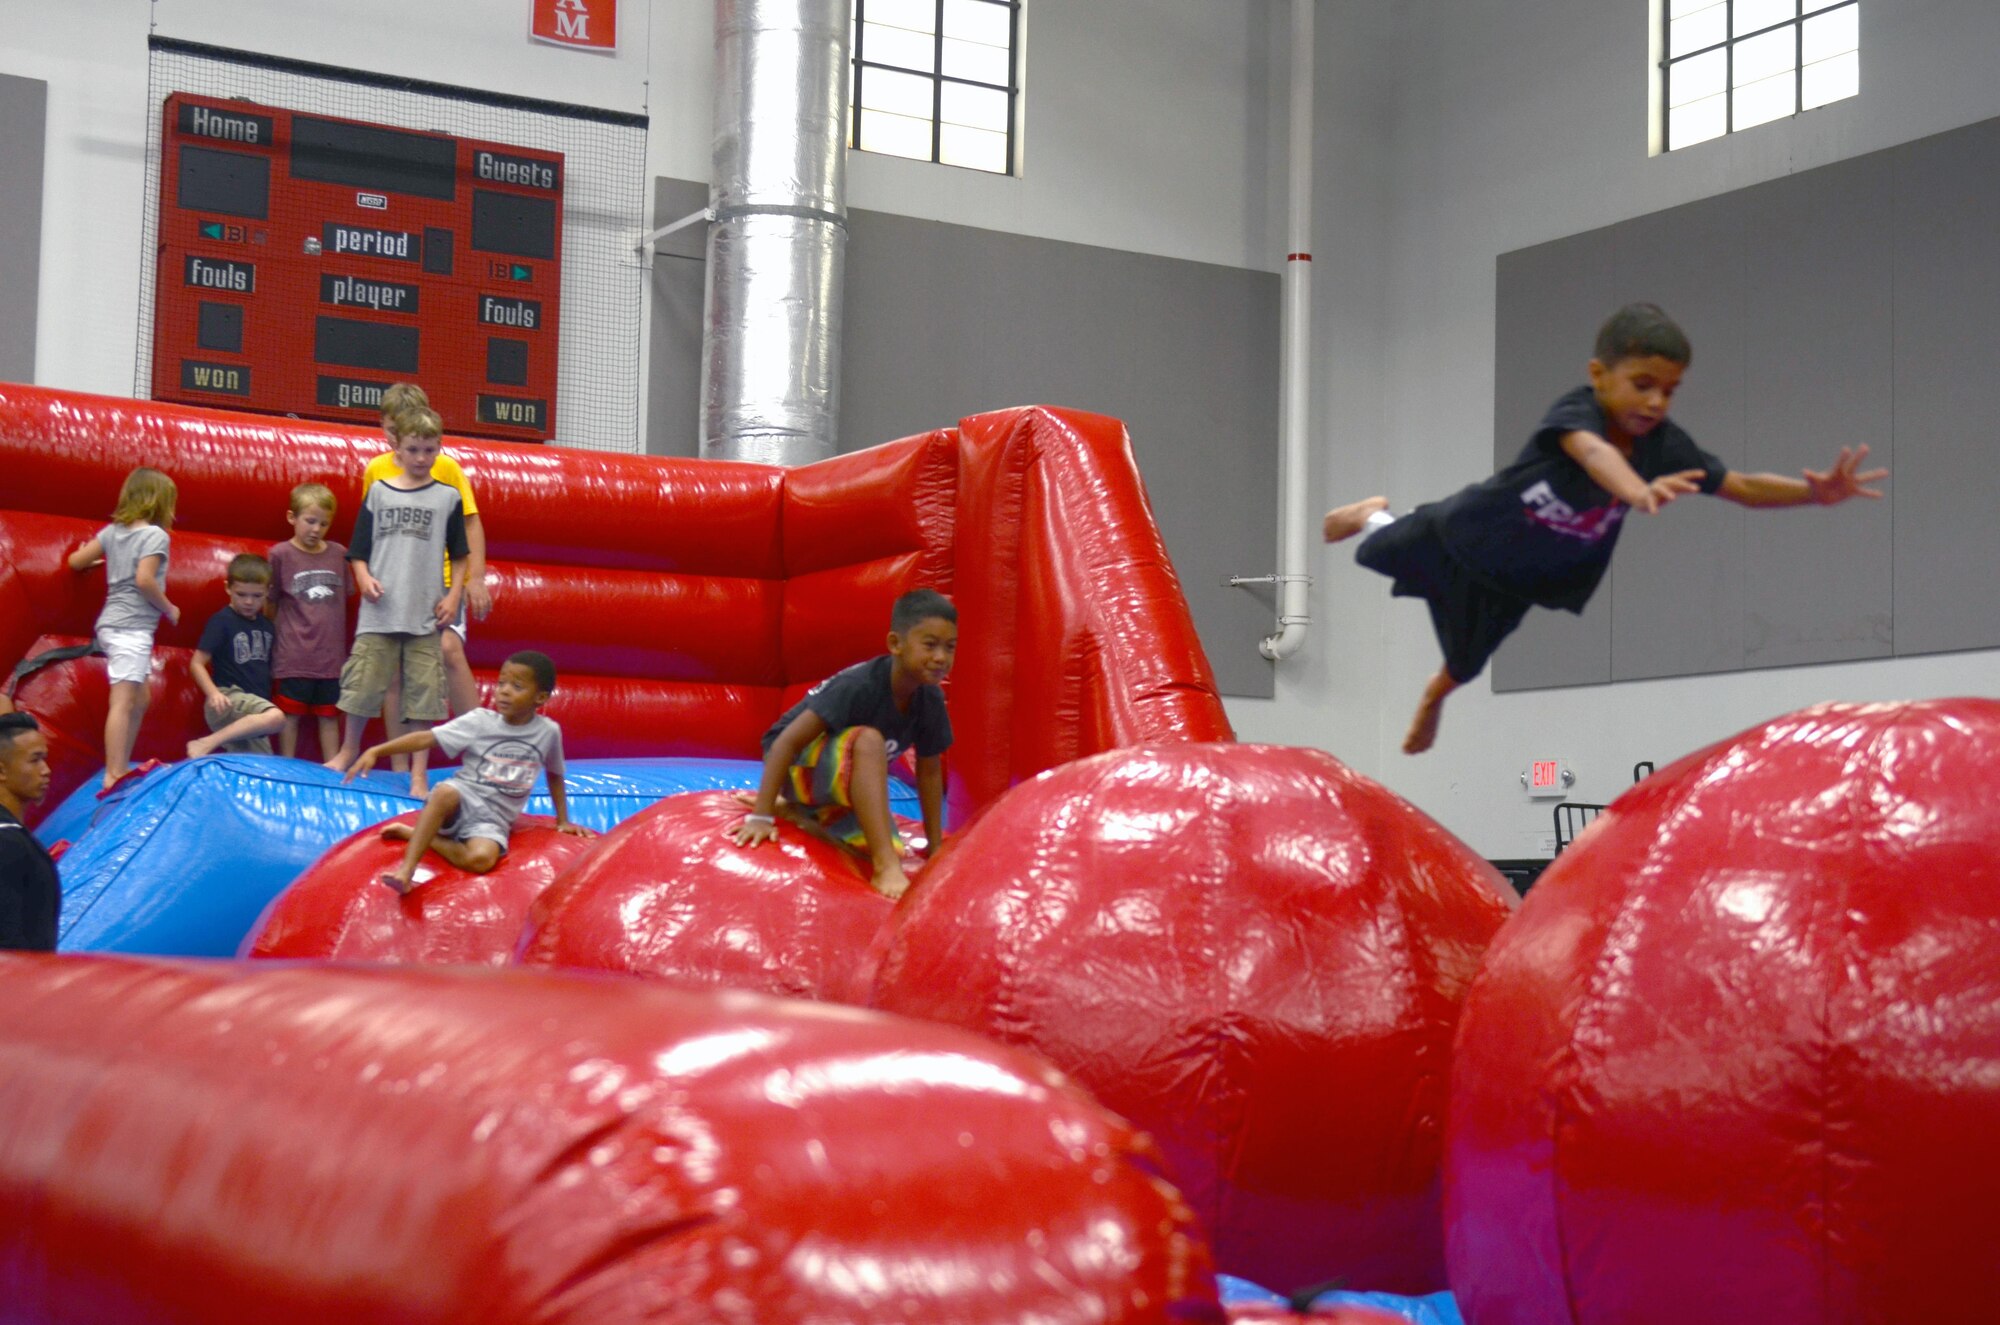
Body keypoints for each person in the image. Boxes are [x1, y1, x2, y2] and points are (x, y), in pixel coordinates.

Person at [1323, 302, 1889, 756]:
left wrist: (1812, 494)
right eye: (1643, 383)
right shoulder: (1580, 413)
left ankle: (1432, 697)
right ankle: (1371, 511)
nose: (1656, 401)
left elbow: (1738, 486)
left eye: (1670, 390)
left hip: (1520, 580)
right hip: (1464, 530)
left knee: (1466, 664)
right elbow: (1594, 455)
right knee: (1376, 549)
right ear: (1599, 375)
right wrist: (1638, 491)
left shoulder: (1666, 445)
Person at [729, 587, 956, 900]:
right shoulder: (858, 686)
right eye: (930, 645)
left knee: (876, 846)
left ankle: (799, 814)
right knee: (869, 741)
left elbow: (929, 771)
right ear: (896, 644)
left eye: (950, 647)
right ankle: (884, 867)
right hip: (794, 766)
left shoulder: (930, 698)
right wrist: (761, 816)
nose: (941, 657)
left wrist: (935, 846)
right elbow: (784, 743)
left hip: (841, 779)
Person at [342, 650, 589, 895]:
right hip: (463, 798)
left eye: (517, 686)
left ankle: (416, 834)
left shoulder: (548, 732)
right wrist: (378, 750)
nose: (503, 690)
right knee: (445, 792)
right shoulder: (481, 721)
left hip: (492, 818)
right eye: (502, 683)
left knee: (480, 861)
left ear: (541, 697)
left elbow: (555, 774)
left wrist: (562, 820)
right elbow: (427, 738)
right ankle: (406, 872)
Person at [324, 406, 470, 797]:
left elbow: (460, 554)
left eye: (429, 450)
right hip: (380, 612)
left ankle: (419, 774)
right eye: (413, 450)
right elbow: (357, 551)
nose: (421, 459)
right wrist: (364, 576)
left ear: (439, 449)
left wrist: (454, 595)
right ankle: (347, 750)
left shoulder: (447, 498)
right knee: (362, 688)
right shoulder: (380, 492)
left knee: (424, 699)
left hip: (425, 614)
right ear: (398, 451)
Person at [364, 383, 491, 730]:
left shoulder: (445, 467)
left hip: (441, 580)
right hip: (395, 581)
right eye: (390, 430)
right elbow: (373, 528)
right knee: (395, 669)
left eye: (400, 430)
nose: (395, 439)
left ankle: (481, 742)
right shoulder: (377, 469)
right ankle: (400, 761)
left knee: (449, 650)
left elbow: (470, 520)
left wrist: (475, 577)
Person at [66, 467, 180, 790]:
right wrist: (169, 608)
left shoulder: (113, 532)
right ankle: (113, 770)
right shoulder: (155, 536)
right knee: (124, 700)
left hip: (114, 623)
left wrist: (96, 563)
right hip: (131, 627)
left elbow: (75, 562)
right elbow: (145, 580)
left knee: (140, 698)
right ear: (161, 503)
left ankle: (122, 762)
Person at [268, 482, 349, 760]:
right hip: (294, 655)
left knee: (329, 717)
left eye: (324, 523)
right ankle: (286, 766)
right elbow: (271, 601)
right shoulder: (280, 554)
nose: (316, 529)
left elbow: (346, 596)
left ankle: (332, 768)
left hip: (330, 659)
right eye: (310, 521)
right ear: (292, 518)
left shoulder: (338, 554)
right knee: (289, 715)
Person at [186, 553, 284, 759]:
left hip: (253, 712)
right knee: (276, 717)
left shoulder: (266, 625)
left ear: (268, 592)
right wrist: (213, 693)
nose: (249, 602)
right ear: (227, 588)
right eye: (241, 594)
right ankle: (206, 743)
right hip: (229, 699)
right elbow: (197, 663)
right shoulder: (222, 621)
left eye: (257, 596)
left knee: (259, 768)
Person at [0, 712, 58, 951]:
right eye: (35, 760)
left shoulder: (14, 837)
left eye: (44, 759)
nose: (46, 770)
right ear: (1, 771)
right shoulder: (8, 843)